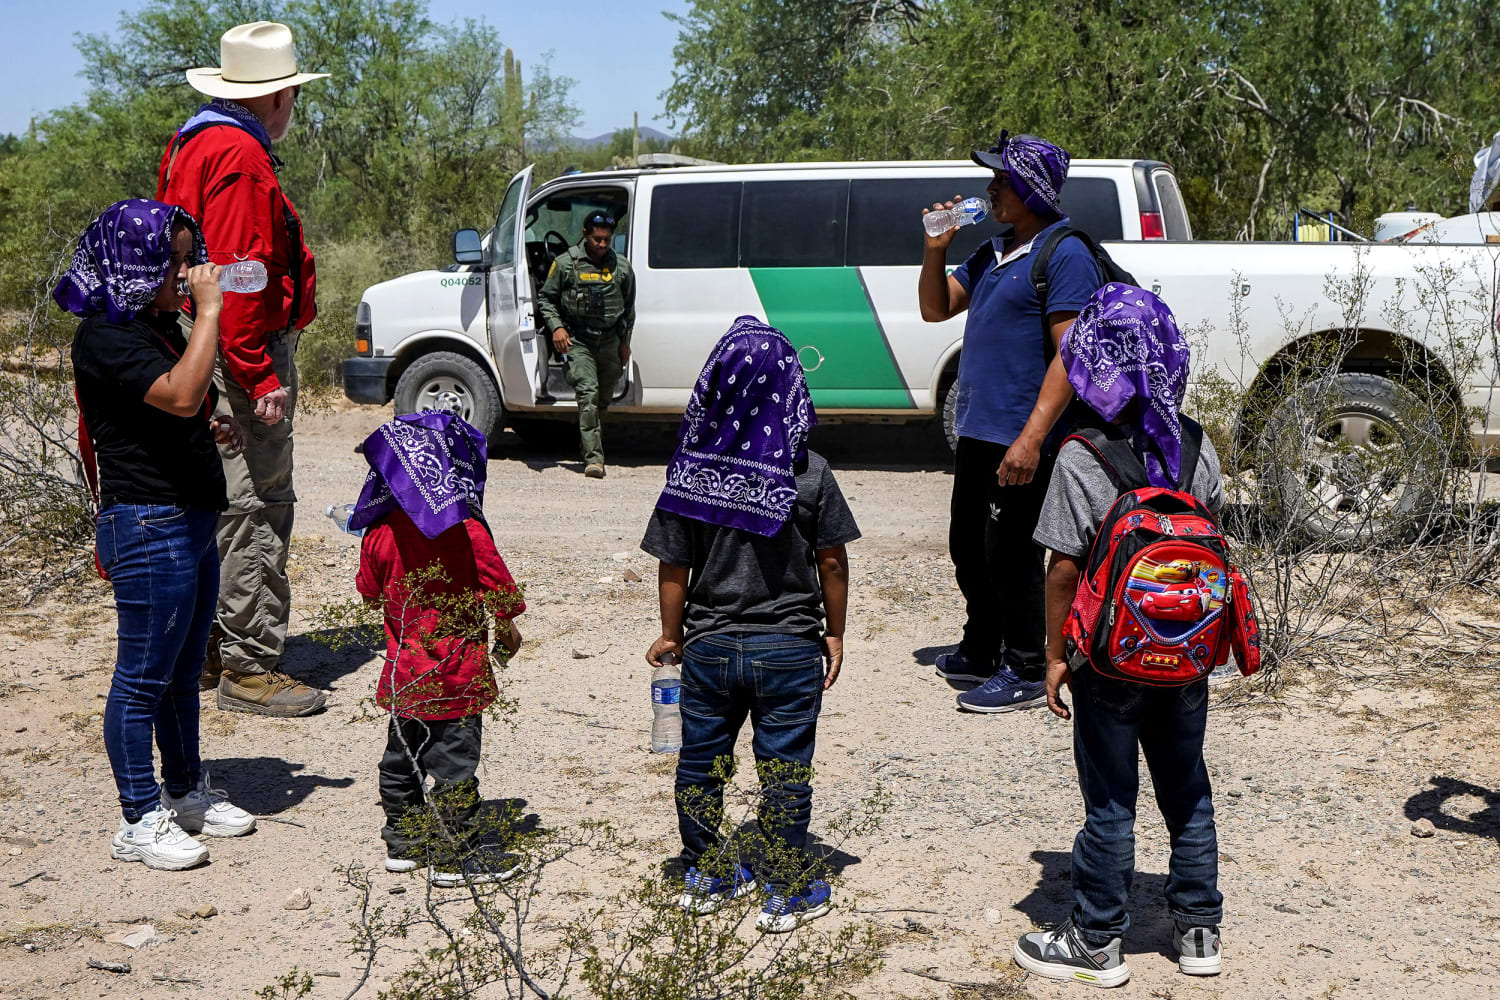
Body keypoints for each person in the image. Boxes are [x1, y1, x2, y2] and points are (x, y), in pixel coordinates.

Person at [1012, 284, 1226, 987]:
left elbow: (1062, 568)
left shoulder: (1081, 453)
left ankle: (1097, 941)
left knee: (1110, 798)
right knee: (1187, 789)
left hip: (1108, 662)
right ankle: (1198, 932)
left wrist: (1054, 658)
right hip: (1187, 656)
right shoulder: (1198, 445)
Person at [640, 316, 860, 933]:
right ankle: (787, 886)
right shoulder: (809, 470)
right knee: (785, 764)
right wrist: (834, 632)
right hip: (790, 650)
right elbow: (833, 560)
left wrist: (672, 631)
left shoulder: (691, 470)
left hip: (709, 648)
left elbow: (673, 563)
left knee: (703, 759)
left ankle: (705, 871)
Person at [58, 200, 256, 870]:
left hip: (189, 519)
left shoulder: (156, 326)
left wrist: (210, 424)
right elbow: (175, 393)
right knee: (142, 677)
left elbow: (178, 407)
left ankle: (183, 790)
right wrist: (209, 311)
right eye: (170, 259)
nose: (186, 269)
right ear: (133, 264)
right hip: (147, 523)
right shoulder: (107, 335)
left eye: (186, 255)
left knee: (179, 670)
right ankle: (137, 817)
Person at [157, 21, 329, 717]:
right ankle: (249, 665)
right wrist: (258, 374)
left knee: (212, 496)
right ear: (279, 94)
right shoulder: (240, 155)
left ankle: (205, 649)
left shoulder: (193, 142)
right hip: (233, 349)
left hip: (200, 342)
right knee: (256, 504)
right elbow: (241, 276)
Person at [918, 131, 1102, 713]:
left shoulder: (1064, 254)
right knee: (968, 545)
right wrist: (935, 248)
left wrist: (1031, 438)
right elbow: (934, 308)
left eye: (1001, 181)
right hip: (978, 429)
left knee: (1011, 553)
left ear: (1031, 189)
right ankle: (983, 646)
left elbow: (1071, 357)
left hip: (1022, 438)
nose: (989, 190)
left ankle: (1025, 665)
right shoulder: (995, 250)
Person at [349, 412, 527, 886]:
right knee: (454, 763)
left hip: (405, 670)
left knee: (401, 758)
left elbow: (369, 591)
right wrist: (507, 628)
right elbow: (502, 593)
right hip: (458, 673)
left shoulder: (379, 532)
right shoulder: (467, 530)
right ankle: (455, 854)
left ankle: (404, 844)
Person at [538, 210, 636, 479]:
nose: (602, 245)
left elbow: (629, 310)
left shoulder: (622, 267)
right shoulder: (566, 264)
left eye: (606, 240)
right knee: (588, 395)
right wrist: (557, 327)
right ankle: (594, 459)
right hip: (579, 340)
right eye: (597, 239)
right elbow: (546, 299)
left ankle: (587, 441)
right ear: (585, 234)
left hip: (610, 341)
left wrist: (625, 343)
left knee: (603, 399)